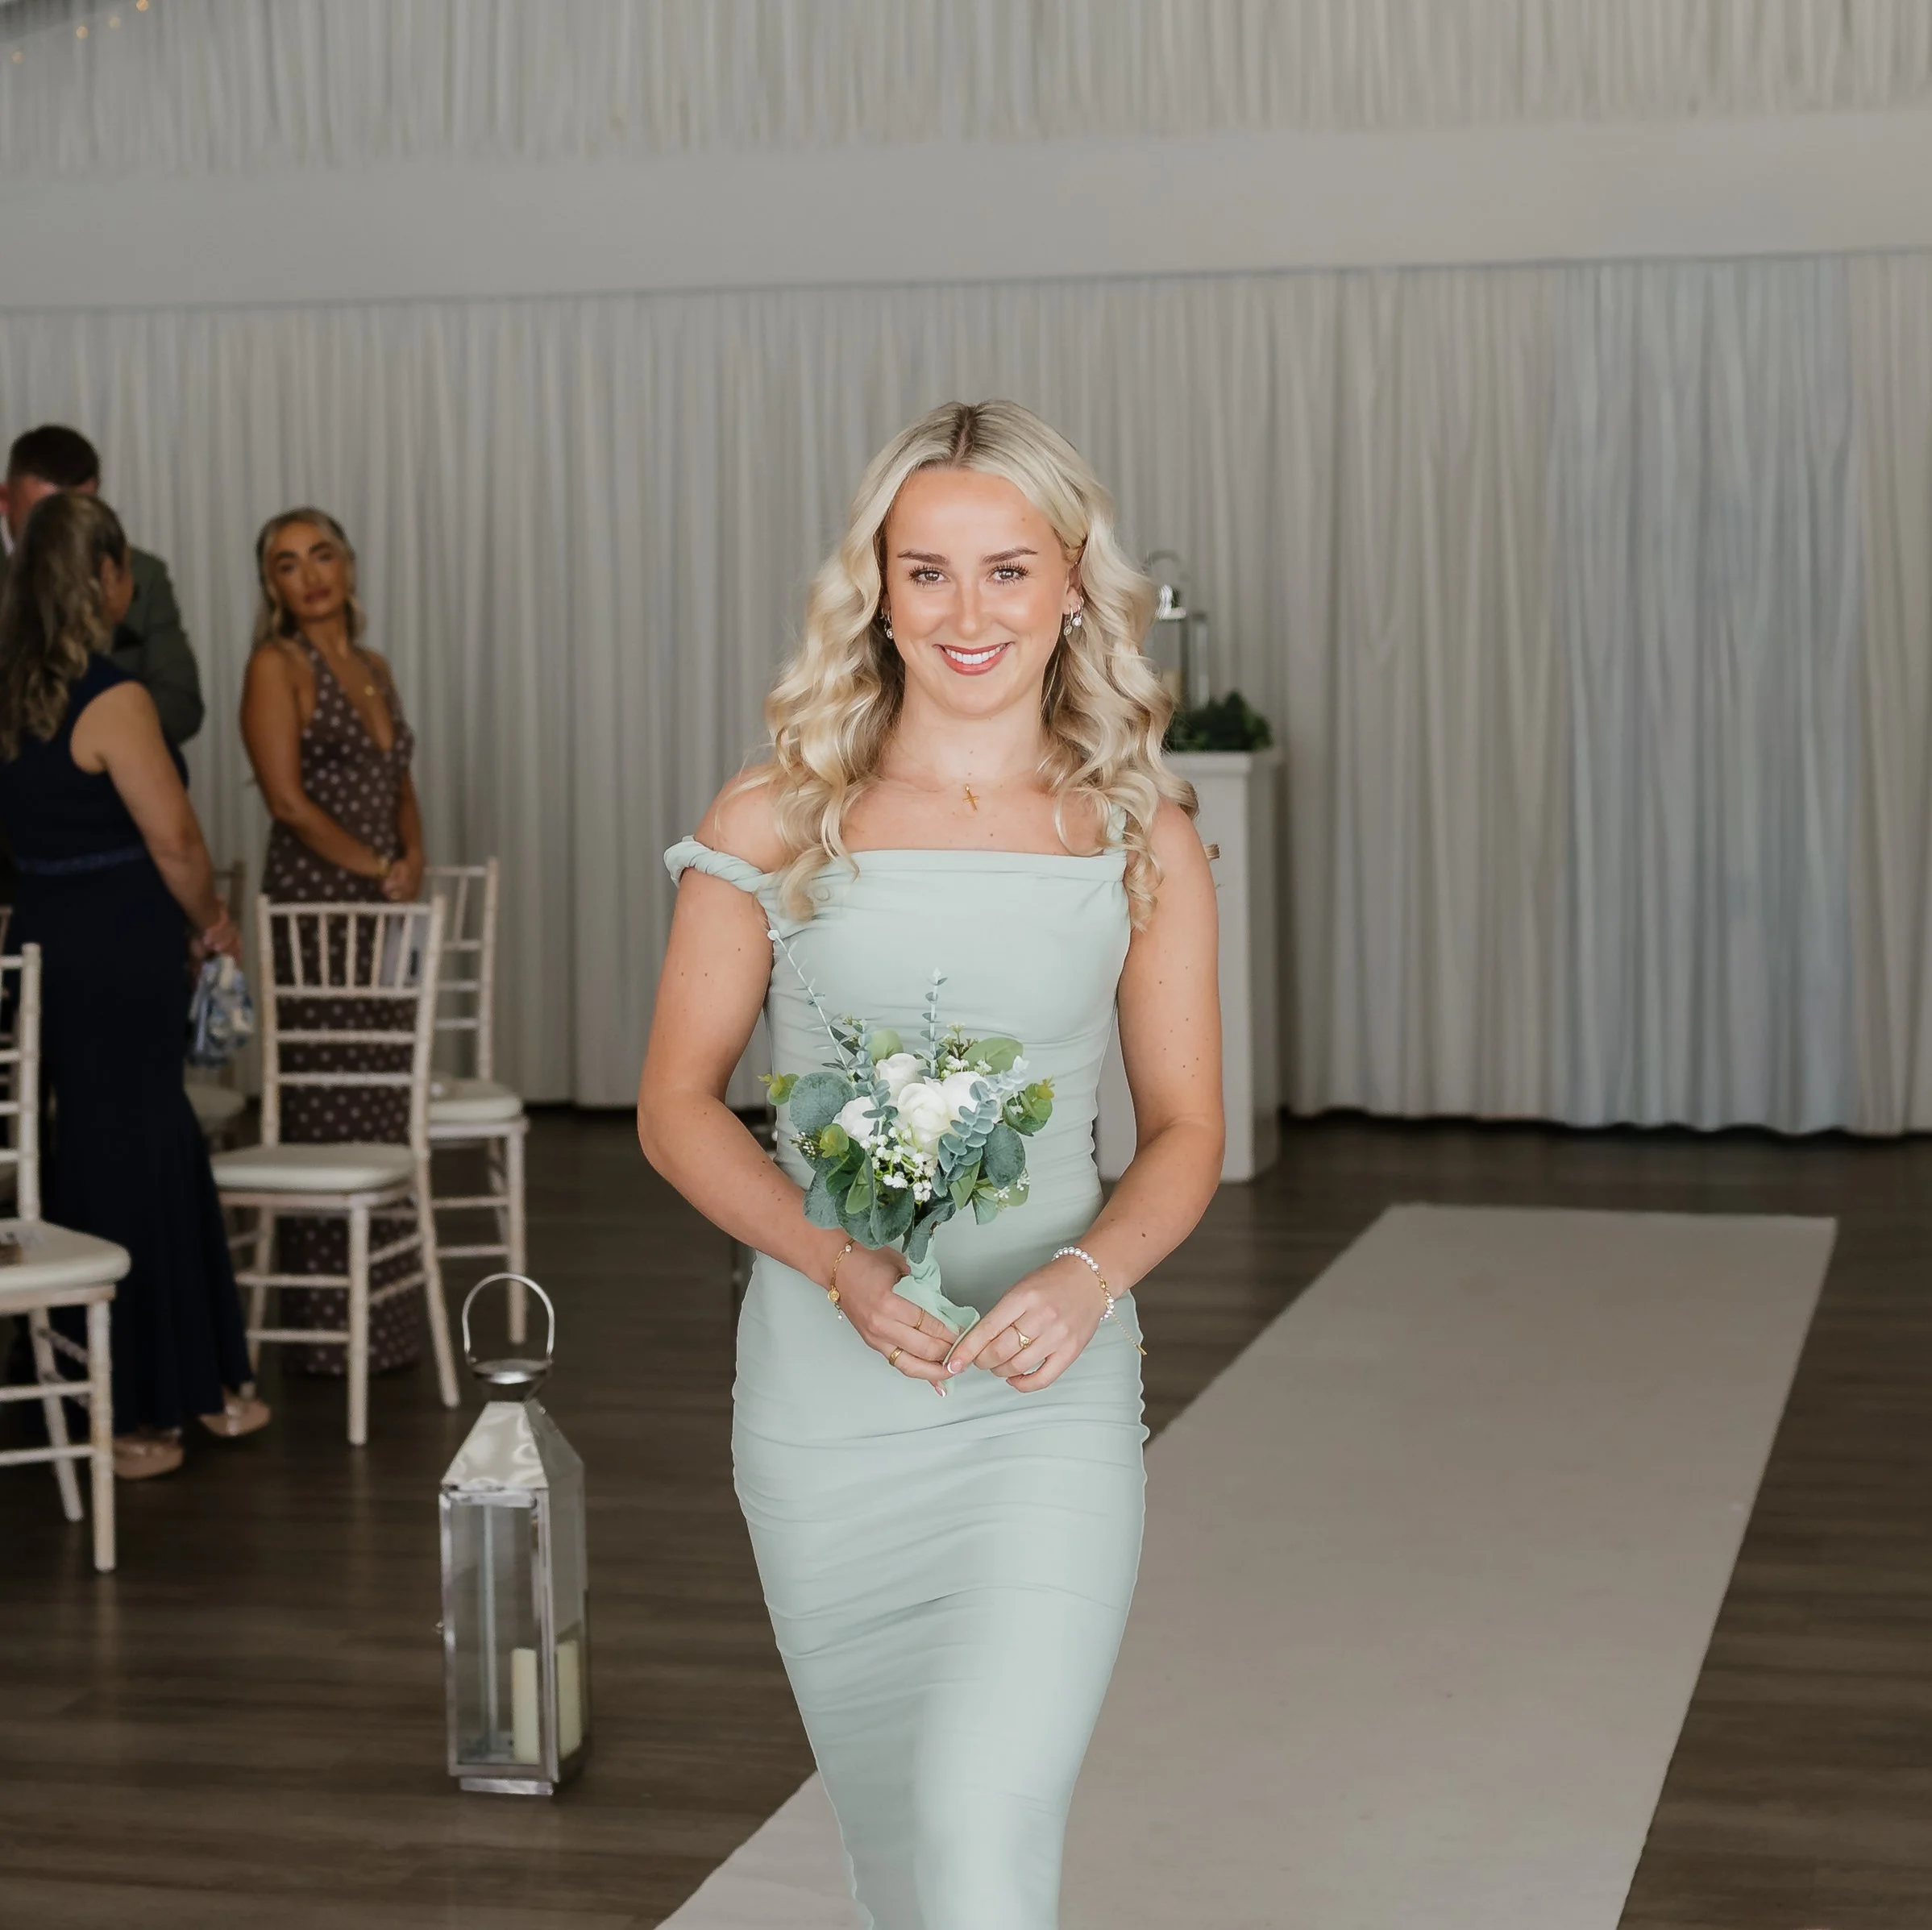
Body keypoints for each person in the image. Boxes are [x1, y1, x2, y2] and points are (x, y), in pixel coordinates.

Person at [638, 401, 1224, 1928]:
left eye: (1008, 570)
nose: (969, 614)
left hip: (1044, 1401)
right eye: (928, 572)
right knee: (900, 1860)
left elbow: (1186, 1132)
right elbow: (677, 1104)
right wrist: (832, 1261)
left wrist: (1091, 1277)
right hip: (828, 1403)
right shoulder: (772, 818)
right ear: (878, 591)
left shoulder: (1138, 825)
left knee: (977, 1833)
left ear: (1073, 583)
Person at [0, 492, 264, 1480]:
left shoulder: (7, 694)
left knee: (95, 1146)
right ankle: (145, 1405)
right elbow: (178, 841)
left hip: (46, 940)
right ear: (104, 579)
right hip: (124, 939)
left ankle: (126, 1389)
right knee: (145, 1145)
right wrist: (211, 923)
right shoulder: (114, 698)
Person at [239, 508, 426, 1375]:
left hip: (381, 904)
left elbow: (398, 781)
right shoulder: (276, 665)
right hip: (317, 909)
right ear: (271, 585)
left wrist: (411, 857)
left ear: (348, 564)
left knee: (383, 1092)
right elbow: (286, 801)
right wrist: (374, 865)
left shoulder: (374, 665)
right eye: (287, 563)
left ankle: (381, 1322)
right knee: (324, 1094)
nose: (309, 575)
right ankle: (319, 1330)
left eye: (321, 555)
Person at [0, 425, 206, 748]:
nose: (63, 539)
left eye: (80, 517)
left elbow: (181, 704)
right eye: (44, 522)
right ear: (5, 501)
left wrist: (96, 747)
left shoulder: (143, 575)